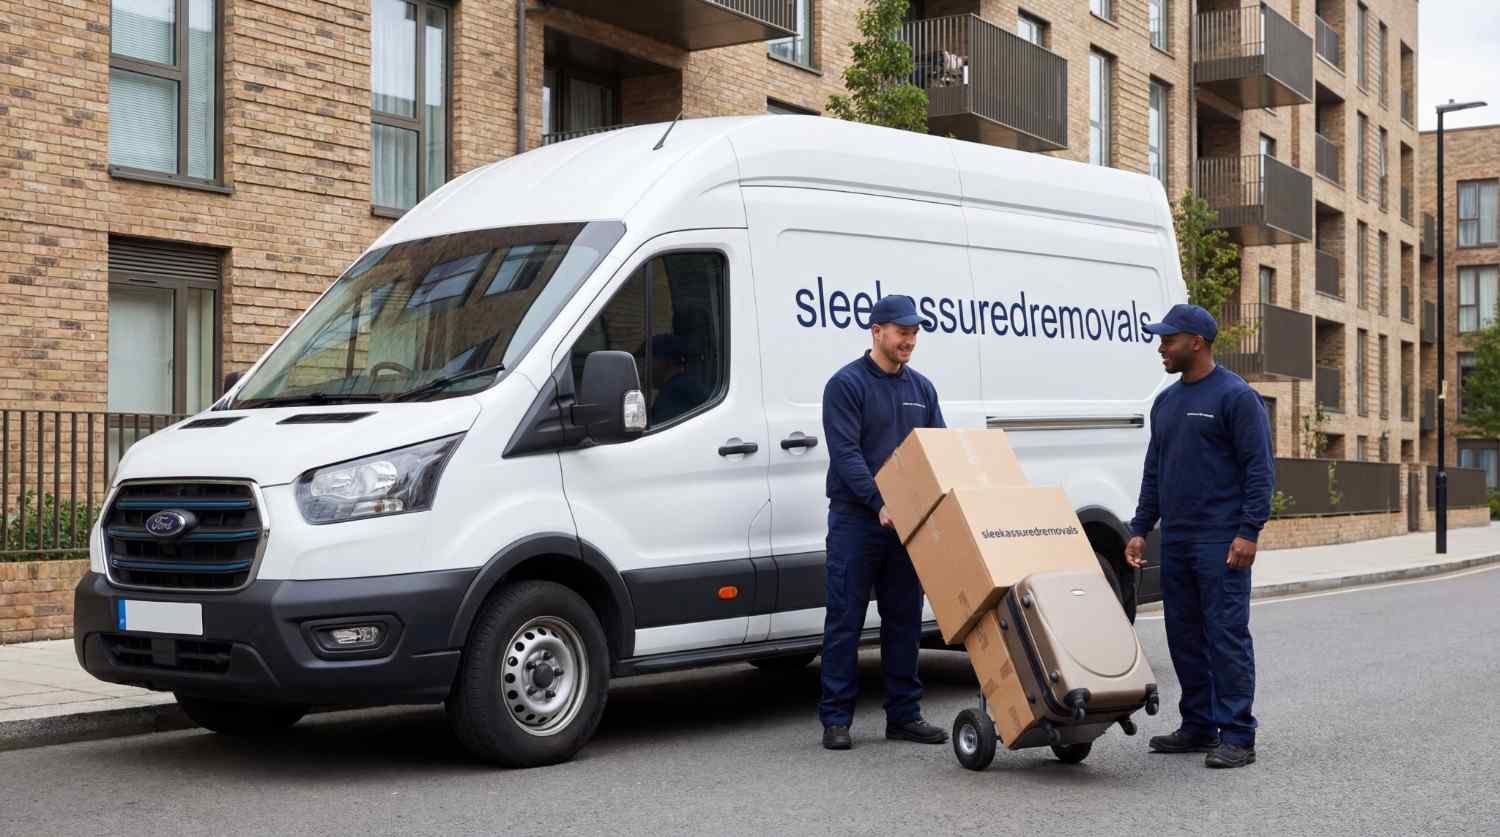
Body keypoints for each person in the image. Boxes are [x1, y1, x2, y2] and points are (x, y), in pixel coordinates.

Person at [1125, 303, 1274, 770]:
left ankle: (1237, 735)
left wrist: (1248, 530)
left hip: (1221, 539)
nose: (1160, 347)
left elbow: (1259, 470)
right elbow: (1155, 470)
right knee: (1184, 634)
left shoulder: (1235, 397)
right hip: (1178, 538)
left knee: (1225, 635)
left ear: (1197, 342)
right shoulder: (1165, 402)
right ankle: (1197, 725)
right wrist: (1139, 528)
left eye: (1168, 339)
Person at [818, 294, 948, 751]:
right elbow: (847, 454)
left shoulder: (922, 389)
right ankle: (836, 719)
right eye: (901, 331)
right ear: (877, 331)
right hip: (857, 520)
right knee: (845, 620)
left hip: (906, 524)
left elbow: (936, 451)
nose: (910, 340)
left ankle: (904, 715)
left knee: (904, 620)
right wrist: (879, 501)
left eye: (914, 332)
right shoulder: (846, 385)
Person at [646, 333, 708, 424]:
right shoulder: (688, 384)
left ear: (666, 361)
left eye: (649, 360)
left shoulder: (675, 392)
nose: (645, 367)